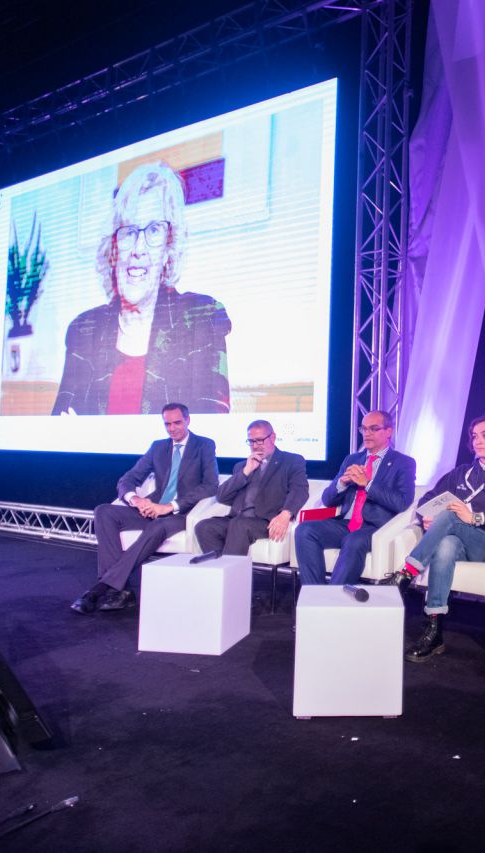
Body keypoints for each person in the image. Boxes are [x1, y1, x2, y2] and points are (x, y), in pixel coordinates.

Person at [52, 162, 232, 416]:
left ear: (169, 250)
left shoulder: (201, 317)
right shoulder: (84, 329)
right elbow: (60, 424)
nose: (138, 248)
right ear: (114, 250)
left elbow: (210, 429)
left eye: (154, 230)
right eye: (128, 232)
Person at [380, 416, 485, 662]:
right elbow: (428, 498)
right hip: (457, 541)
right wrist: (428, 518)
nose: (478, 441)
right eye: (474, 436)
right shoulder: (461, 473)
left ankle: (405, 574)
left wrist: (476, 517)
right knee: (445, 545)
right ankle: (435, 630)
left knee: (452, 515)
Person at [71, 403, 218, 613]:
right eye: (167, 424)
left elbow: (210, 485)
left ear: (187, 420)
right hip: (151, 508)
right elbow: (128, 479)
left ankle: (101, 588)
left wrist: (169, 506)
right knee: (104, 511)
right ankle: (122, 591)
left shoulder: (204, 445)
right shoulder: (158, 447)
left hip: (183, 513)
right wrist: (136, 500)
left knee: (157, 527)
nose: (172, 429)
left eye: (177, 423)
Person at [294, 410, 416, 587]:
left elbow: (402, 502)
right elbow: (328, 499)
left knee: (354, 540)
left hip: (375, 527)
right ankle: (314, 595)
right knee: (305, 530)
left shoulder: (403, 462)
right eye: (364, 429)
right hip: (346, 523)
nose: (367, 434)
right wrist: (342, 483)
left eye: (373, 429)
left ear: (388, 431)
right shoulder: (352, 459)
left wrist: (368, 484)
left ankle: (333, 600)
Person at [194, 420, 309, 556]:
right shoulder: (242, 466)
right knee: (204, 527)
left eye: (259, 441)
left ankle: (231, 575)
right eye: (251, 441)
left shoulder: (291, 461)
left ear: (272, 437)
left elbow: (299, 490)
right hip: (236, 519)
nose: (255, 446)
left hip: (265, 521)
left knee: (239, 525)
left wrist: (285, 514)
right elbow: (221, 496)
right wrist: (246, 471)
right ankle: (219, 570)